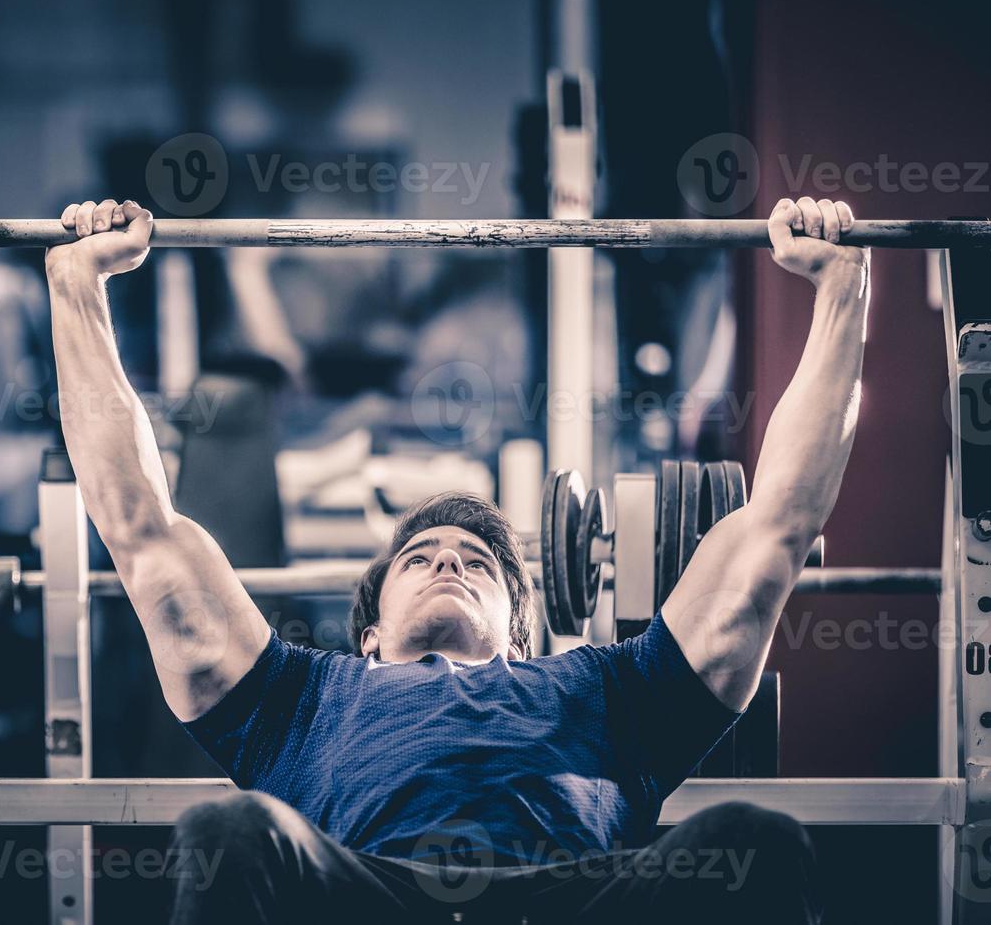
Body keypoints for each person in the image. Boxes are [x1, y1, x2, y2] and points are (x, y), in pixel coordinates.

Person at [43, 196, 865, 923]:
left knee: (752, 842)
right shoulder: (301, 700)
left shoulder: (608, 693)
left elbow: (776, 531)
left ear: (521, 631)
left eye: (478, 562)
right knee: (228, 833)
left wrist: (841, 292)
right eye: (421, 556)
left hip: (570, 897)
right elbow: (142, 531)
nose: (449, 562)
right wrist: (78, 288)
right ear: (366, 635)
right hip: (369, 897)